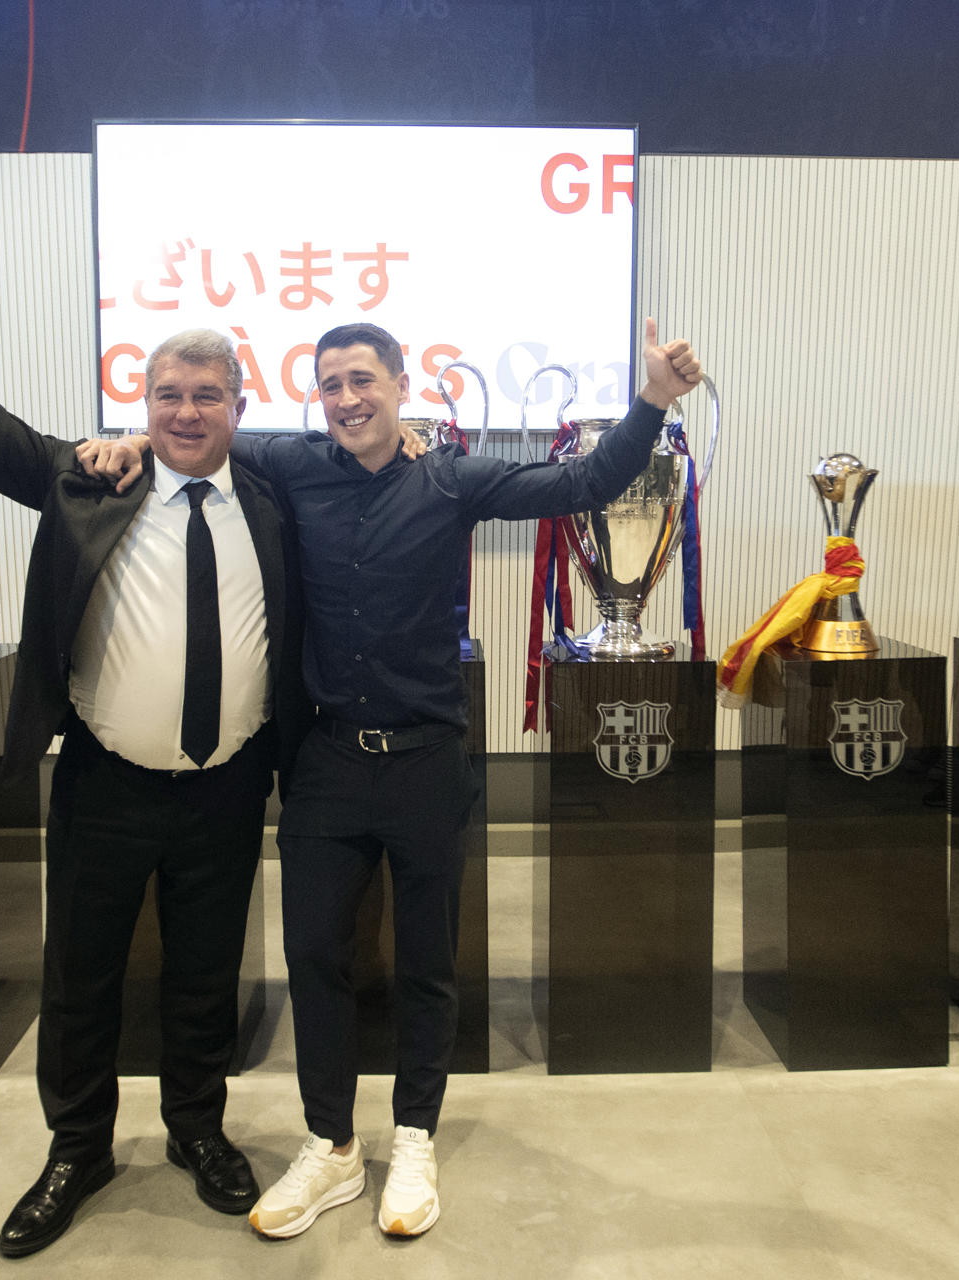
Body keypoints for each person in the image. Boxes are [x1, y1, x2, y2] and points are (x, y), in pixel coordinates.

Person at [81, 319, 704, 1239]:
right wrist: (131, 437)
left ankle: (414, 1137)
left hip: (426, 762)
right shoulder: (292, 464)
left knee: (425, 964)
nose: (346, 399)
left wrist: (652, 399)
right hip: (327, 764)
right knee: (317, 960)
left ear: (402, 384)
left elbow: (585, 482)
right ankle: (331, 1146)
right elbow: (198, 433)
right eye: (330, 384)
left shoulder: (452, 476)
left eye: (363, 380)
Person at [0, 224, 320, 1259]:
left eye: (206, 395)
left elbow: (369, 453)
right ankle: (78, 1148)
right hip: (105, 783)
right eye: (167, 395)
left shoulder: (276, 495)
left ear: (239, 406)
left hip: (227, 787)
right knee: (80, 975)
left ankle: (198, 1129)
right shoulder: (89, 479)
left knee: (205, 972)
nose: (184, 412)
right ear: (142, 402)